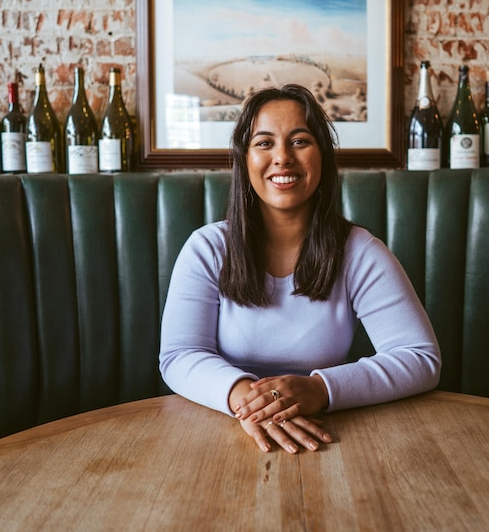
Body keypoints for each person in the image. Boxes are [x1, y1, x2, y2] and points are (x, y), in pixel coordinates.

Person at [159, 84, 441, 454]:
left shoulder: (360, 252)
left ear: (322, 155)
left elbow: (420, 358)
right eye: (264, 143)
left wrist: (319, 389)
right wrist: (250, 400)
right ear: (244, 159)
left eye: (300, 141)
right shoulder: (207, 248)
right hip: (222, 434)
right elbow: (180, 355)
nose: (282, 157)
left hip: (325, 438)